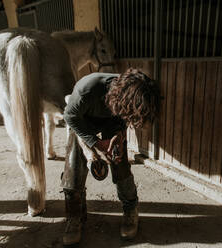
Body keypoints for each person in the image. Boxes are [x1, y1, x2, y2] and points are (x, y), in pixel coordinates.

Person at [60, 68, 160, 245]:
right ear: (120, 98)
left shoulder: (134, 94)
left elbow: (125, 118)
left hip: (111, 120)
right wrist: (95, 145)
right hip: (82, 119)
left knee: (119, 161)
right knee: (73, 166)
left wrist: (119, 137)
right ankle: (74, 216)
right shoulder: (87, 89)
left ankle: (131, 210)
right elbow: (70, 116)